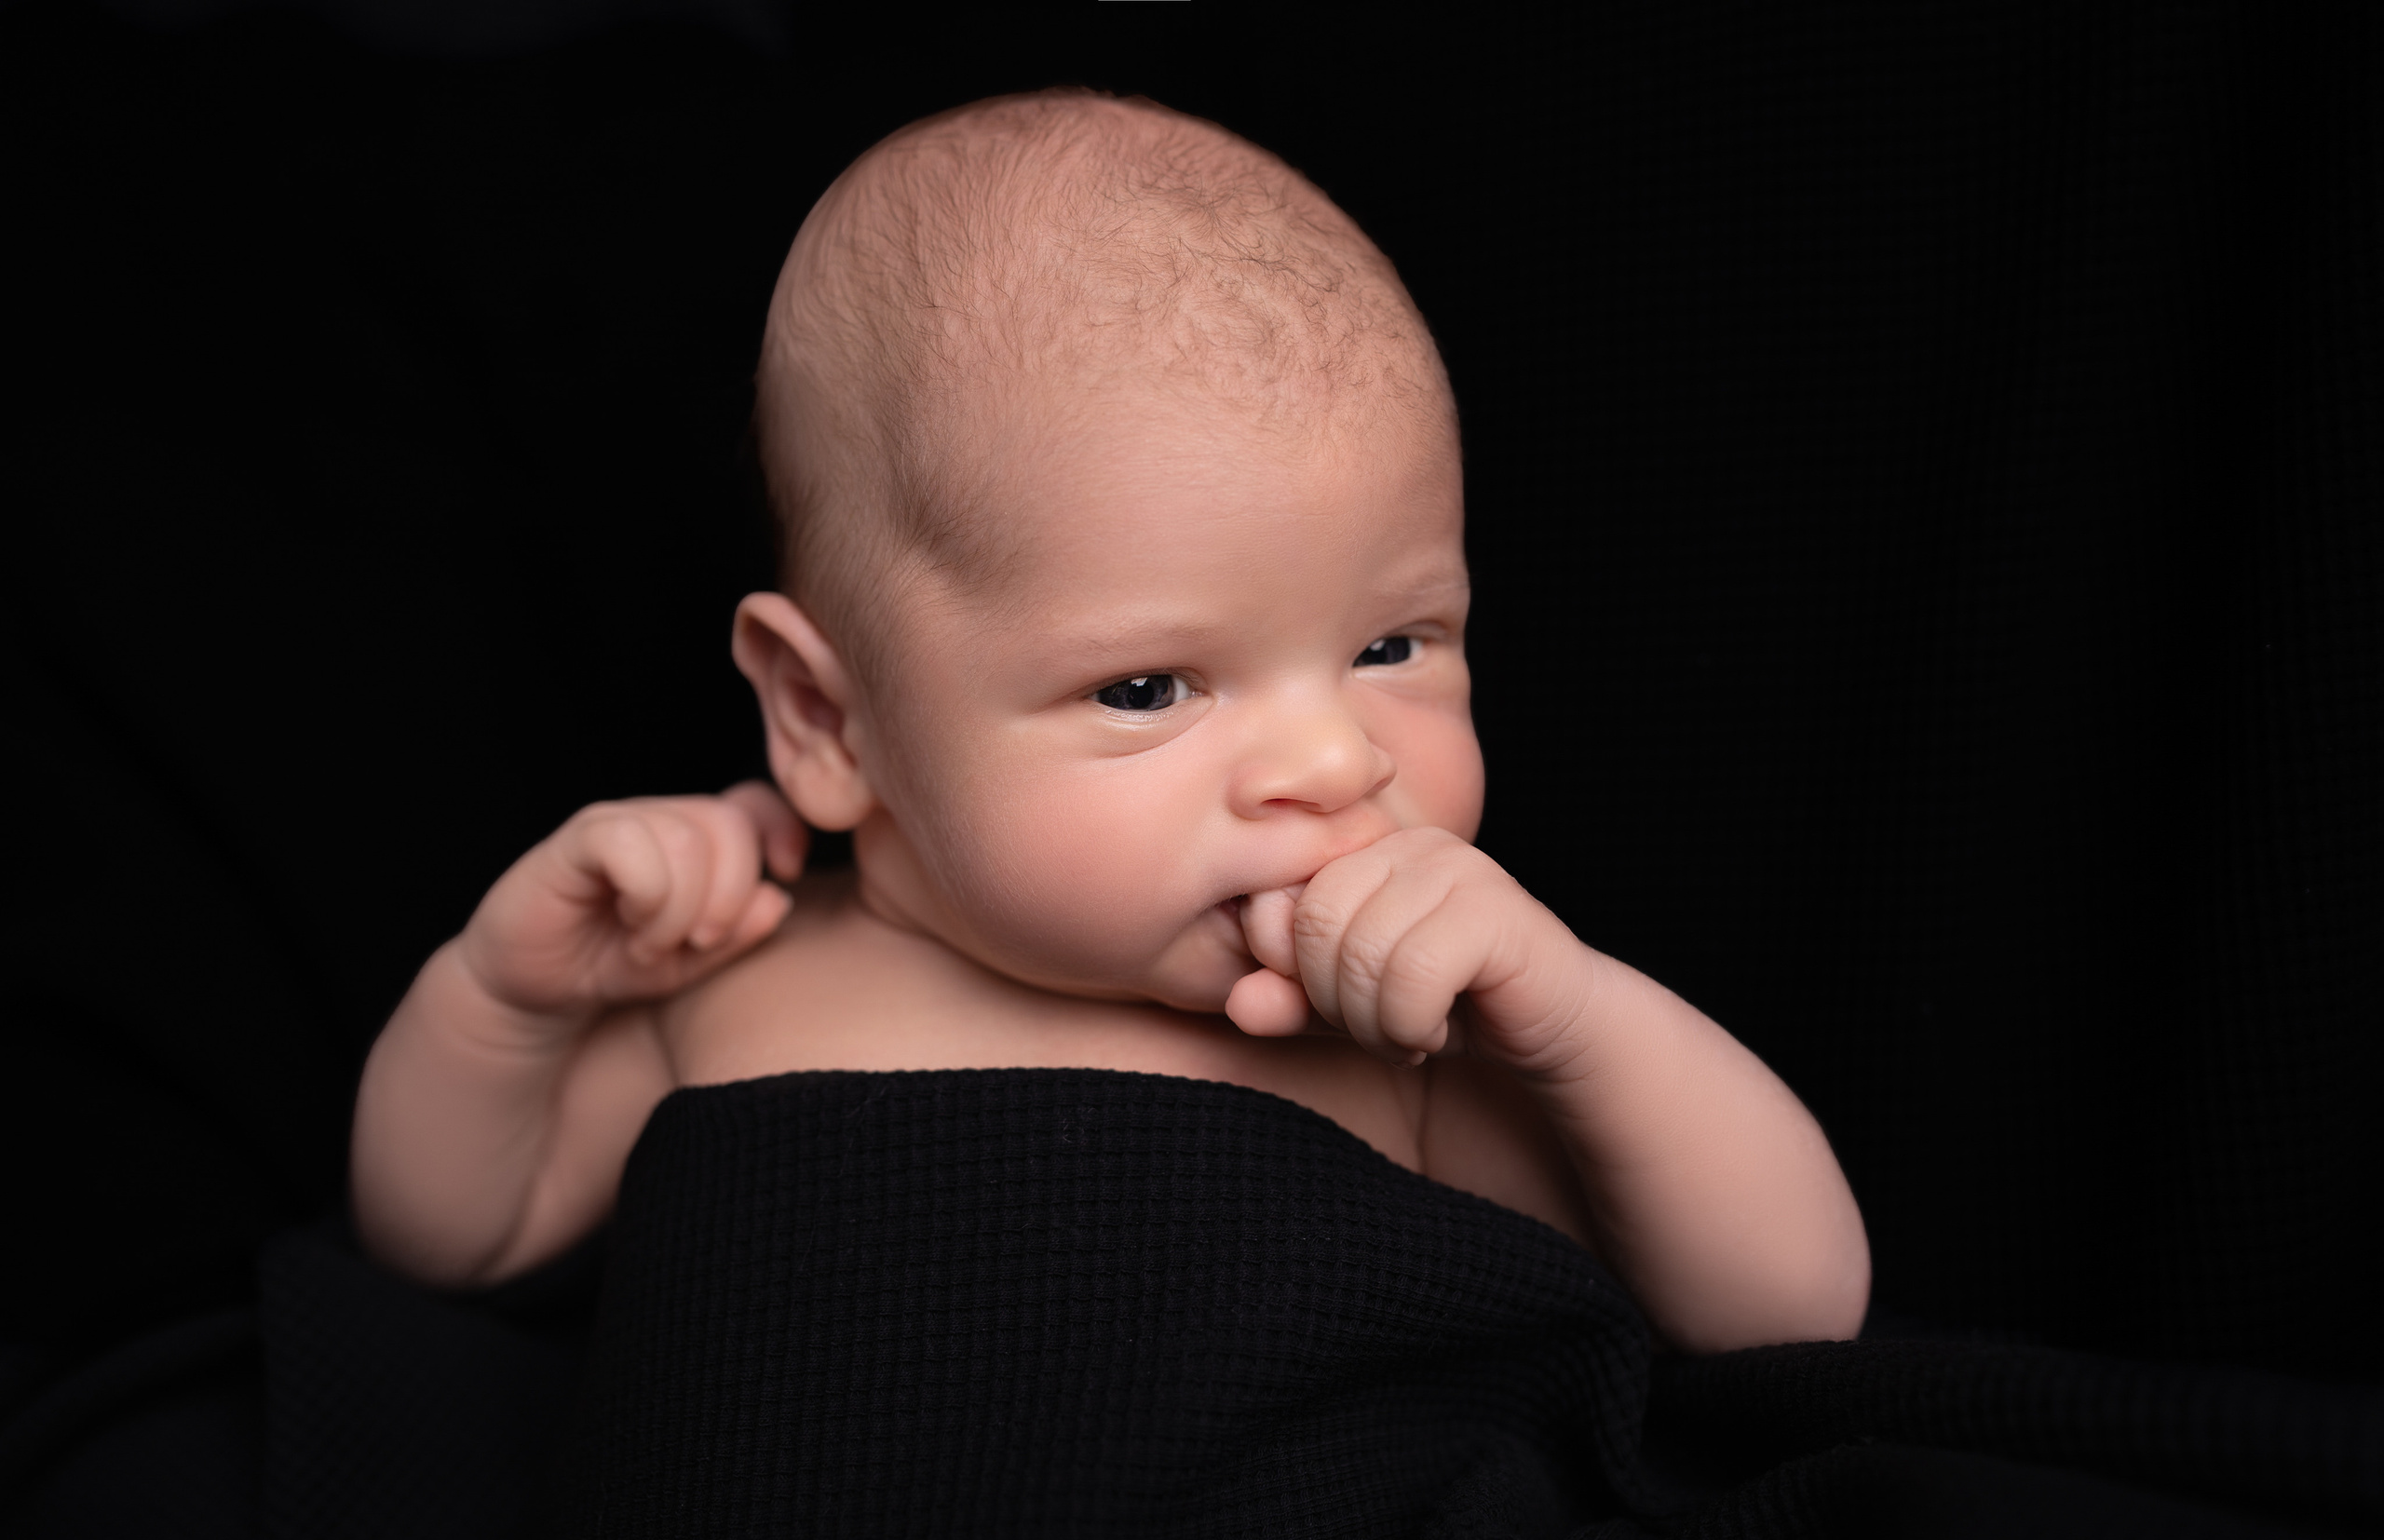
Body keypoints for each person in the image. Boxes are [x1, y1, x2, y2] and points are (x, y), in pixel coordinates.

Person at [349, 88, 1869, 1361]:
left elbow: (1789, 1316)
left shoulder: (1394, 1048)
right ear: (828, 717)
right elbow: (448, 1238)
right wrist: (506, 1003)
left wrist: (1579, 1018)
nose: (1340, 765)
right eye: (1148, 689)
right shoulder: (736, 992)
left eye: (1393, 644)